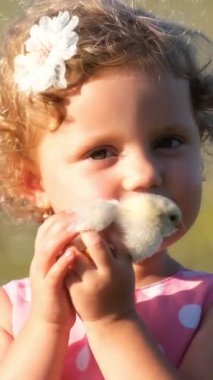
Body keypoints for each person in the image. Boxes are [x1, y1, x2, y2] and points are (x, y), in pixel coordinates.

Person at [0, 0, 212, 379]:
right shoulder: (12, 310)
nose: (144, 174)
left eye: (168, 141)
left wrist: (113, 321)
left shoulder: (205, 307)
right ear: (33, 182)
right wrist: (48, 325)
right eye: (101, 152)